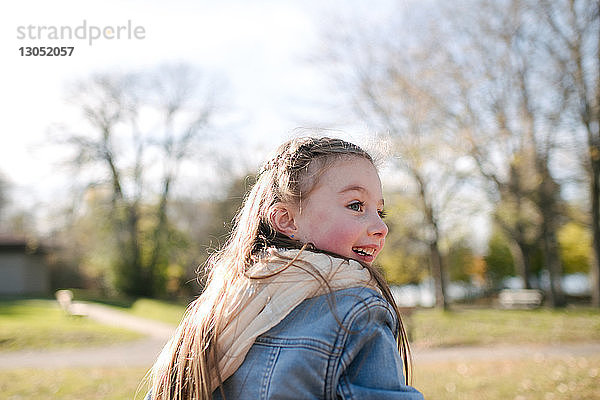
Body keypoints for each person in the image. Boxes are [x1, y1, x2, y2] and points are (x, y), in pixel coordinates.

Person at [146, 136, 424, 399]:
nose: (381, 227)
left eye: (380, 211)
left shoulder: (216, 308)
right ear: (287, 220)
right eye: (355, 205)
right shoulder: (356, 310)